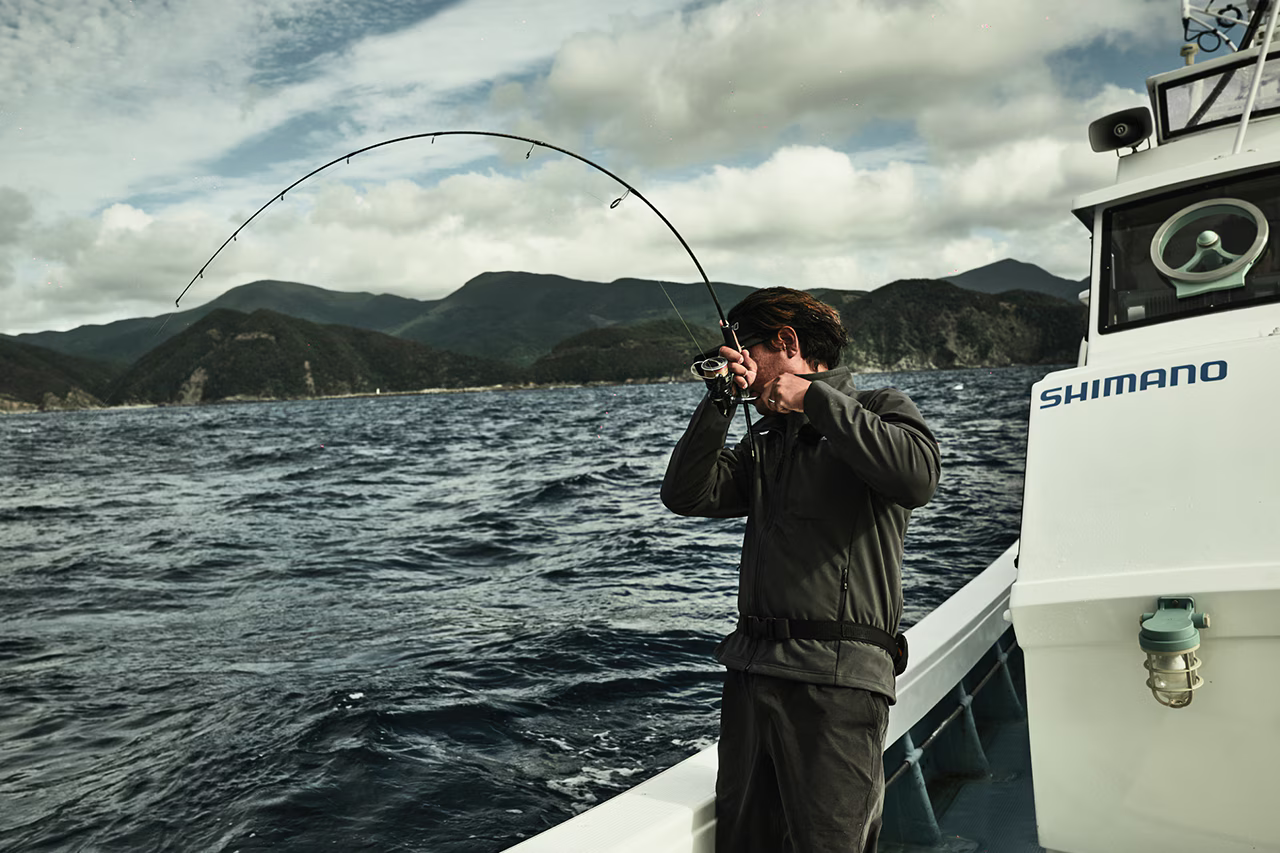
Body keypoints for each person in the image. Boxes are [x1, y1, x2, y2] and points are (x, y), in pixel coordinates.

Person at [661, 287, 941, 853]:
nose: (737, 365)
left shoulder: (880, 409)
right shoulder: (764, 440)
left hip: (834, 682)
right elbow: (687, 494)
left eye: (744, 352)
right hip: (751, 675)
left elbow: (917, 479)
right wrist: (719, 399)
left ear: (786, 343)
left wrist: (814, 400)